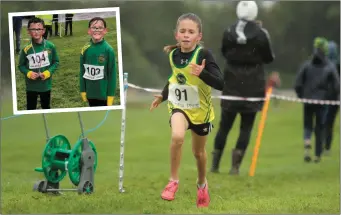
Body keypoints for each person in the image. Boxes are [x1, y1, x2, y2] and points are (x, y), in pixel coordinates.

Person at [150, 13, 223, 208]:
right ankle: (173, 181)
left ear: (199, 36)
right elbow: (175, 78)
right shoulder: (173, 55)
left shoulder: (204, 55)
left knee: (198, 153)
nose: (186, 35)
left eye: (191, 32)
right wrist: (163, 95)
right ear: (176, 35)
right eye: (182, 31)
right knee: (177, 136)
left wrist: (203, 73)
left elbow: (221, 83)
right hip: (179, 106)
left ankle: (202, 184)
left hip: (201, 111)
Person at [210, 1, 277, 175]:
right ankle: (235, 167)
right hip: (253, 86)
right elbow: (269, 58)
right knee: (246, 127)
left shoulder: (228, 31)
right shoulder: (262, 34)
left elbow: (224, 52)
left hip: (232, 83)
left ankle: (215, 166)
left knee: (224, 125)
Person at [294, 37, 339, 163]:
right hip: (323, 101)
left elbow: (297, 83)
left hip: (308, 99)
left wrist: (301, 96)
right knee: (320, 126)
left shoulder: (307, 65)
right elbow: (337, 85)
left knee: (307, 124)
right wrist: (332, 96)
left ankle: (307, 144)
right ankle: (317, 155)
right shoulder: (330, 66)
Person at [18, 17, 59, 110]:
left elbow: (56, 62)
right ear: (28, 31)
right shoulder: (26, 49)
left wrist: (48, 73)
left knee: (46, 107)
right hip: (31, 86)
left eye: (39, 29)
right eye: (33, 29)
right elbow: (21, 66)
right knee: (30, 108)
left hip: (45, 85)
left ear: (43, 30)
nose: (36, 32)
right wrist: (28, 73)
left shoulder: (50, 46)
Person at [79, 17, 117, 107]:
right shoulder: (85, 49)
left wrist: (110, 96)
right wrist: (83, 90)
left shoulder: (109, 50)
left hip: (103, 96)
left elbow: (112, 75)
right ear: (89, 31)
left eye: (100, 27)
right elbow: (82, 71)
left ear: (105, 31)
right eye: (94, 27)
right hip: (90, 94)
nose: (97, 30)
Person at [323, 40, 340, 155]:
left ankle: (324, 146)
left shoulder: (324, 65)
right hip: (335, 98)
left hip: (325, 97)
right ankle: (327, 147)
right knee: (329, 123)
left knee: (324, 122)